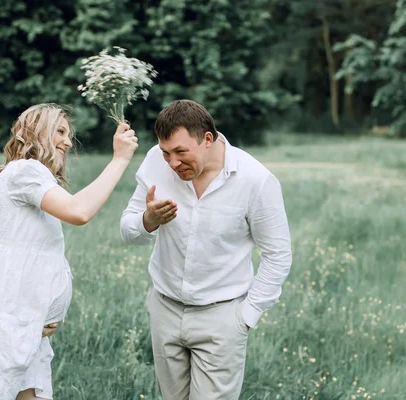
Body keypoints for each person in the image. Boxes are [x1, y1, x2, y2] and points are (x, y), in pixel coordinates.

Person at [0, 103, 138, 400]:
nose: (68, 141)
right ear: (37, 132)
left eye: (69, 134)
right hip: (4, 322)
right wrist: (119, 160)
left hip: (21, 321)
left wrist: (41, 312)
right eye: (60, 131)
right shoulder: (24, 170)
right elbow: (79, 211)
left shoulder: (32, 177)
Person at [120, 100, 292, 400]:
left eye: (180, 152)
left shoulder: (255, 180)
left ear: (208, 139)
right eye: (166, 153)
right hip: (165, 308)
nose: (172, 162)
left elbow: (278, 254)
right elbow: (128, 230)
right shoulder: (155, 162)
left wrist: (246, 317)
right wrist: (148, 221)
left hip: (222, 317)